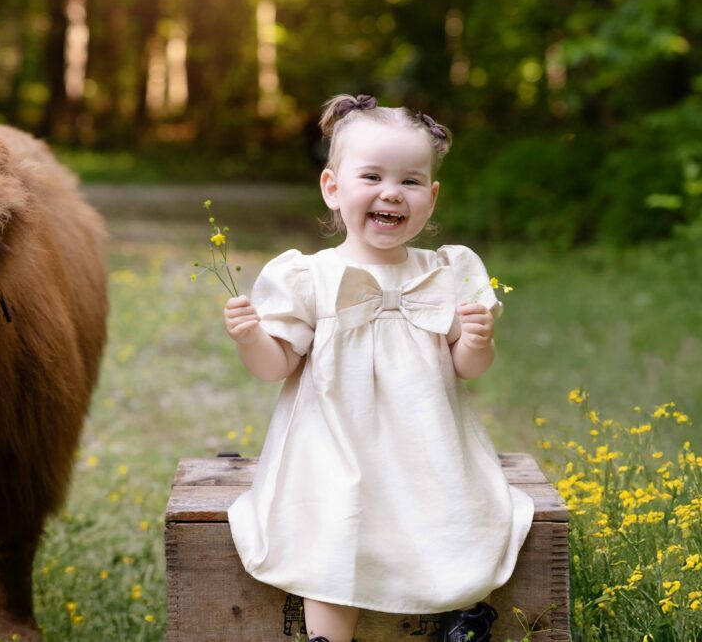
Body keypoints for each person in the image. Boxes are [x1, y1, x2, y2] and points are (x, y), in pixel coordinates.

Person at [223, 94, 534, 642]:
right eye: (372, 176)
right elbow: (277, 366)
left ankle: (463, 617)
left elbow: (468, 367)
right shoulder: (309, 277)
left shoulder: (448, 272)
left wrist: (479, 341)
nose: (392, 192)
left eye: (411, 181)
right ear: (333, 188)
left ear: (431, 198)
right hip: (332, 446)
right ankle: (327, 638)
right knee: (330, 533)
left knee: (457, 517)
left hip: (430, 444)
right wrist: (252, 337)